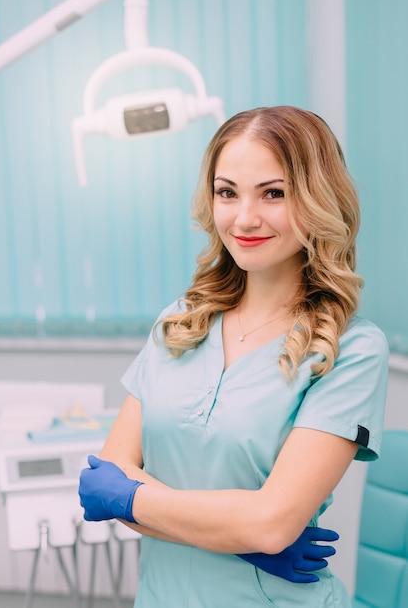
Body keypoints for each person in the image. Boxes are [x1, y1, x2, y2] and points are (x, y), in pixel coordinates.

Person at [79, 105, 389, 607]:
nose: (245, 218)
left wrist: (134, 498)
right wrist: (245, 540)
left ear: (317, 199)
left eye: (274, 193)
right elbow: (103, 478)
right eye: (228, 193)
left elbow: (272, 523)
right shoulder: (179, 324)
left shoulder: (350, 348)